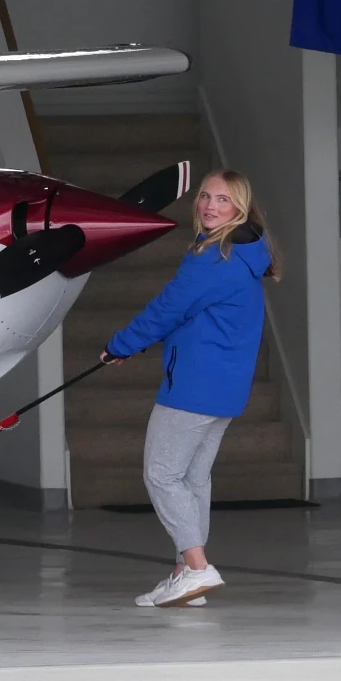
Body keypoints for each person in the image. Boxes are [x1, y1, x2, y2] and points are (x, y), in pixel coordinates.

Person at [100, 168, 279, 609]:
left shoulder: (214, 258)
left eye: (222, 199)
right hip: (224, 387)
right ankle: (184, 577)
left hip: (195, 386)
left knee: (161, 475)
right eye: (205, 196)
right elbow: (186, 314)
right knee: (193, 478)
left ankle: (198, 568)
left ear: (239, 207)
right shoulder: (244, 254)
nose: (209, 206)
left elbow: (168, 309)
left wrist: (120, 345)